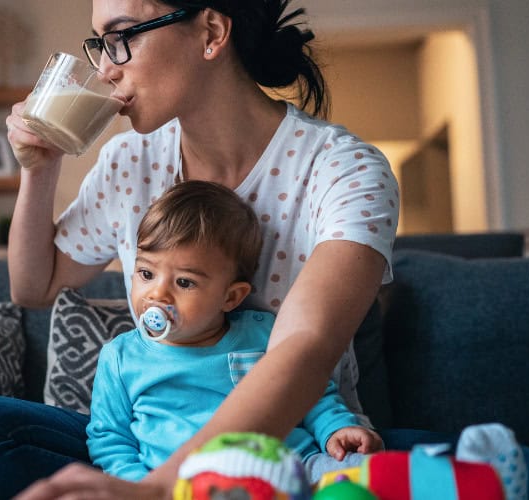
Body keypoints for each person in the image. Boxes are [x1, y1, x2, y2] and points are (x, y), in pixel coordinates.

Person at [0, 0, 529, 498]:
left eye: (122, 35)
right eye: (98, 44)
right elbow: (32, 287)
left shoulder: (343, 169)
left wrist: (162, 491)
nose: (105, 68)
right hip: (152, 444)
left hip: (298, 443)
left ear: (211, 32)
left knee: (525, 471)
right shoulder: (128, 161)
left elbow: (302, 347)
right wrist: (38, 168)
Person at [87, 180, 383, 484]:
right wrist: (138, 487)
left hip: (292, 468)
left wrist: (337, 428)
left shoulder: (265, 333)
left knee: (365, 473)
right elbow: (110, 440)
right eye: (146, 274)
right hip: (184, 487)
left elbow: (311, 394)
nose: (157, 294)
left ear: (231, 297)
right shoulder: (120, 358)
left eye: (185, 282)